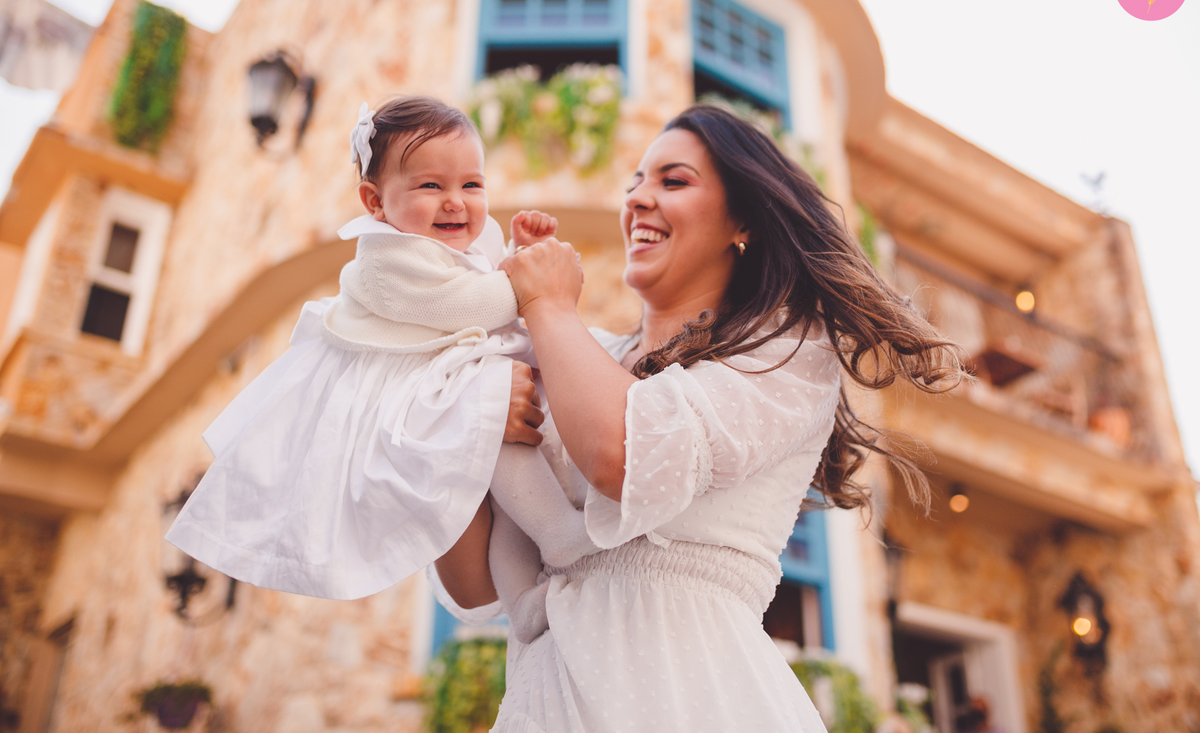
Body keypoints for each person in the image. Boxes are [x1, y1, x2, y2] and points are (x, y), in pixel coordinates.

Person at [433, 104, 967, 731]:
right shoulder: (582, 361)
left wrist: (549, 306)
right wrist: (469, 429)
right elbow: (472, 584)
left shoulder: (791, 352)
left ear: (741, 217)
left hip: (693, 697)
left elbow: (622, 457)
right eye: (634, 183)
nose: (639, 200)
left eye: (673, 180)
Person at [166, 97, 595, 642]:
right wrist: (529, 281)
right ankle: (559, 534)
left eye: (471, 185)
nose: (455, 203)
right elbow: (464, 307)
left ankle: (524, 599)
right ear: (375, 201)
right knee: (498, 440)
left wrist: (519, 251)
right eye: (430, 186)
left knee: (505, 501)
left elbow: (478, 288)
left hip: (452, 385)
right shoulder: (384, 258)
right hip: (410, 398)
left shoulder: (456, 246)